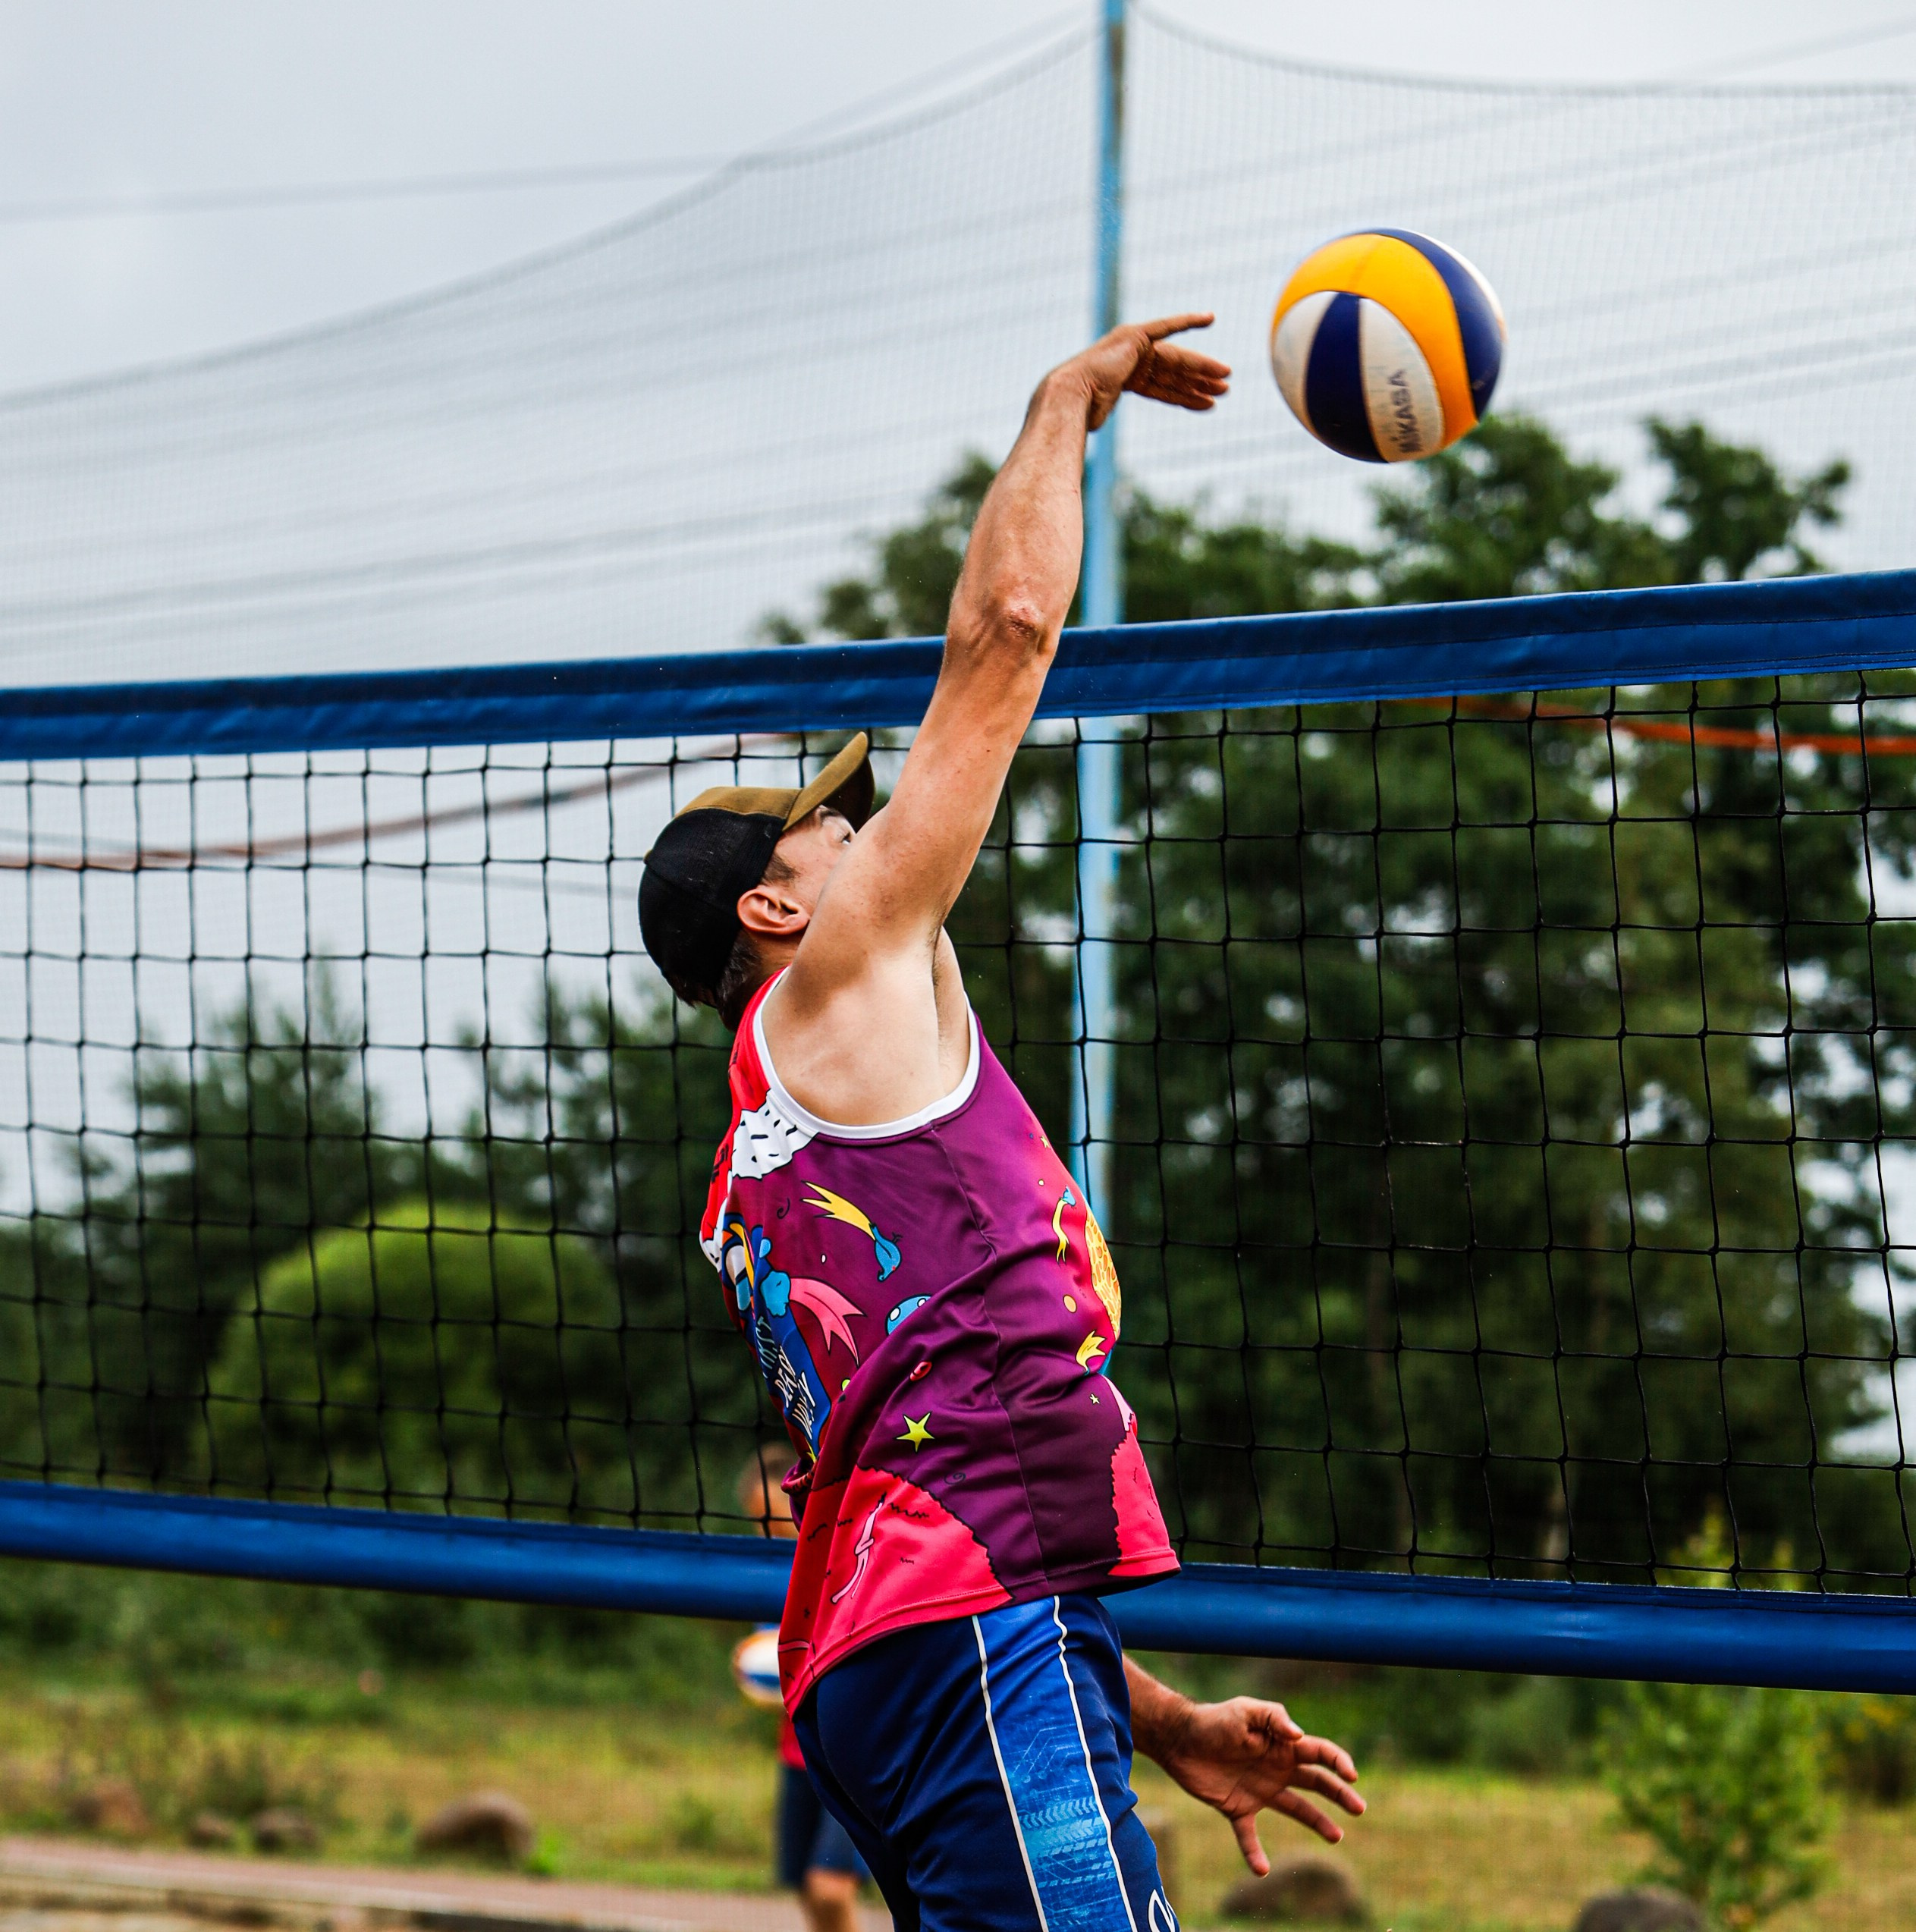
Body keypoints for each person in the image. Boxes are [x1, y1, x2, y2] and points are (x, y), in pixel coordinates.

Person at [641, 315, 1364, 1932]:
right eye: (829, 825)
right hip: (960, 1644)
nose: (861, 824)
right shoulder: (834, 978)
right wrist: (1063, 408)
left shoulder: (764, 1151)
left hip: (924, 1642)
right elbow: (1010, 633)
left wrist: (1152, 1713)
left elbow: (920, 1453)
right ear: (773, 902)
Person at [738, 1444, 872, 1932]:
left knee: (829, 1889)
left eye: (777, 1521)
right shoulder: (761, 1578)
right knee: (807, 1891)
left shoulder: (846, 1561)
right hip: (799, 1756)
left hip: (856, 1755)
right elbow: (766, 1664)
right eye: (759, 1523)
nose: (770, 1533)